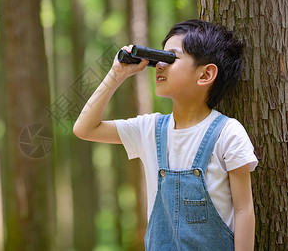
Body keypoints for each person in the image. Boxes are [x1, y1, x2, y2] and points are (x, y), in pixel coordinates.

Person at [73, 19, 257, 250]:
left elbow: (243, 210)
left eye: (171, 57)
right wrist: (116, 74)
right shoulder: (149, 129)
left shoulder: (227, 133)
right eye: (159, 57)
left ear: (205, 74)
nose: (159, 64)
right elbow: (85, 128)